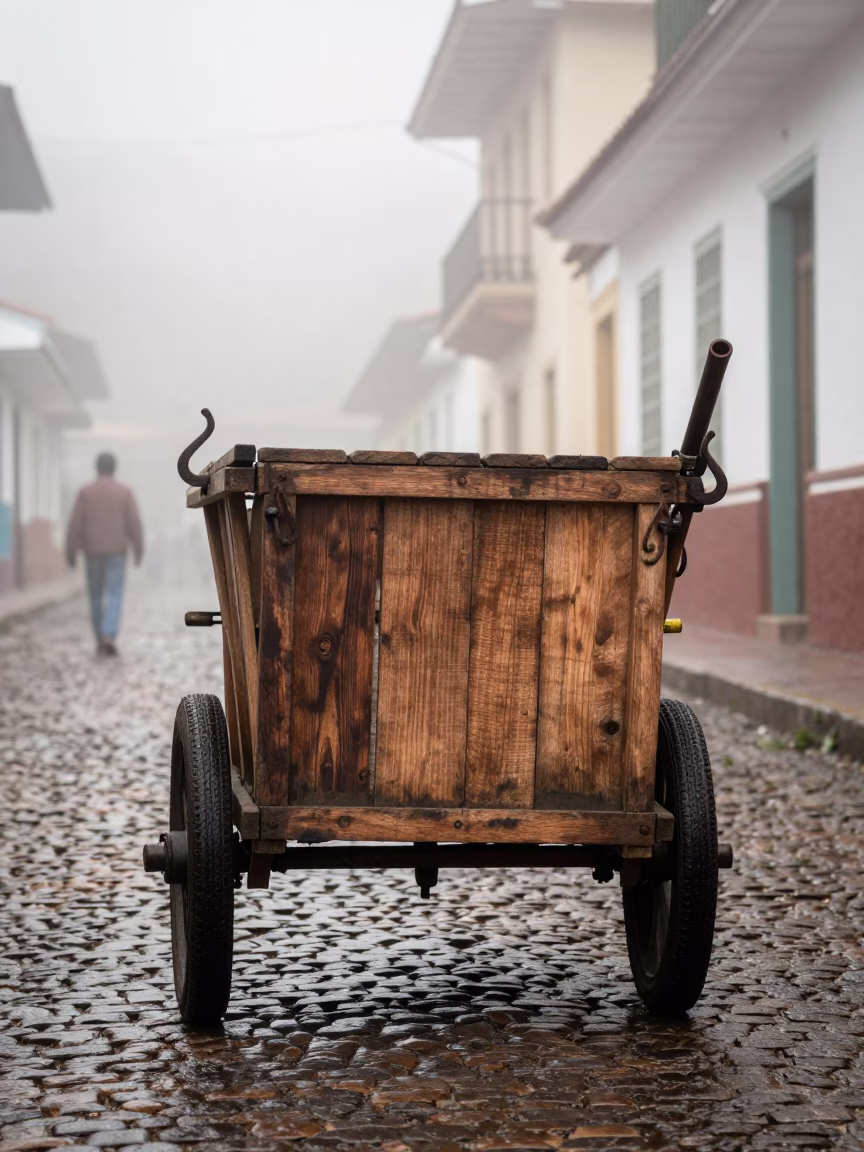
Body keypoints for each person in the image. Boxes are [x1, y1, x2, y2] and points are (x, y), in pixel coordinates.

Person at [66, 452, 144, 656]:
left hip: (92, 551)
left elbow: (75, 523)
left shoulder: (86, 492)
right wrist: (138, 548)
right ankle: (109, 633)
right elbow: (134, 522)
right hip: (117, 551)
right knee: (115, 593)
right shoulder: (124, 492)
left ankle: (100, 636)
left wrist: (70, 550)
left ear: (97, 468)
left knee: (95, 595)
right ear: (114, 468)